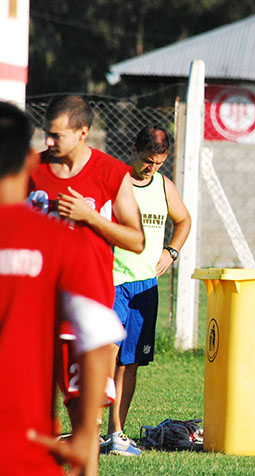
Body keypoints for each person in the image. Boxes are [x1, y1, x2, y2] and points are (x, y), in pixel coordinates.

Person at [0, 100, 127, 476]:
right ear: (28, 163)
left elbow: (134, 238)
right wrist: (87, 437)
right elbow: (97, 336)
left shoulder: (110, 175)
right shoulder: (59, 241)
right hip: (21, 448)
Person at [27, 95, 145, 474]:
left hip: (86, 311)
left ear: (83, 133)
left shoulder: (111, 173)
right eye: (47, 134)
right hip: (35, 308)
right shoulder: (29, 169)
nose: (48, 142)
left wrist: (90, 217)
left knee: (85, 414)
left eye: (56, 136)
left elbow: (136, 239)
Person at [105, 125, 191, 455]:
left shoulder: (164, 186)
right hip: (112, 282)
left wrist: (171, 252)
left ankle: (117, 433)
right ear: (133, 150)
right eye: (146, 161)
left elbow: (183, 220)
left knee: (129, 363)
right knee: (105, 356)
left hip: (146, 285)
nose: (151, 168)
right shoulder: (116, 181)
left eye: (158, 162)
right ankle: (91, 427)